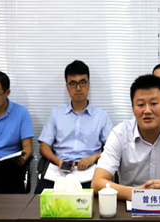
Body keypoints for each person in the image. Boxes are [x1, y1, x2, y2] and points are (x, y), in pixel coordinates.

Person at [36, 60, 113, 193]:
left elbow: (112, 149)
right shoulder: (56, 114)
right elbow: (44, 147)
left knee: (90, 202)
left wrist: (93, 158)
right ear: (67, 86)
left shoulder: (101, 116)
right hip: (59, 172)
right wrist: (57, 160)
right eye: (73, 83)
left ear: (88, 84)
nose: (78, 88)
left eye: (82, 82)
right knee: (40, 200)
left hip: (89, 172)